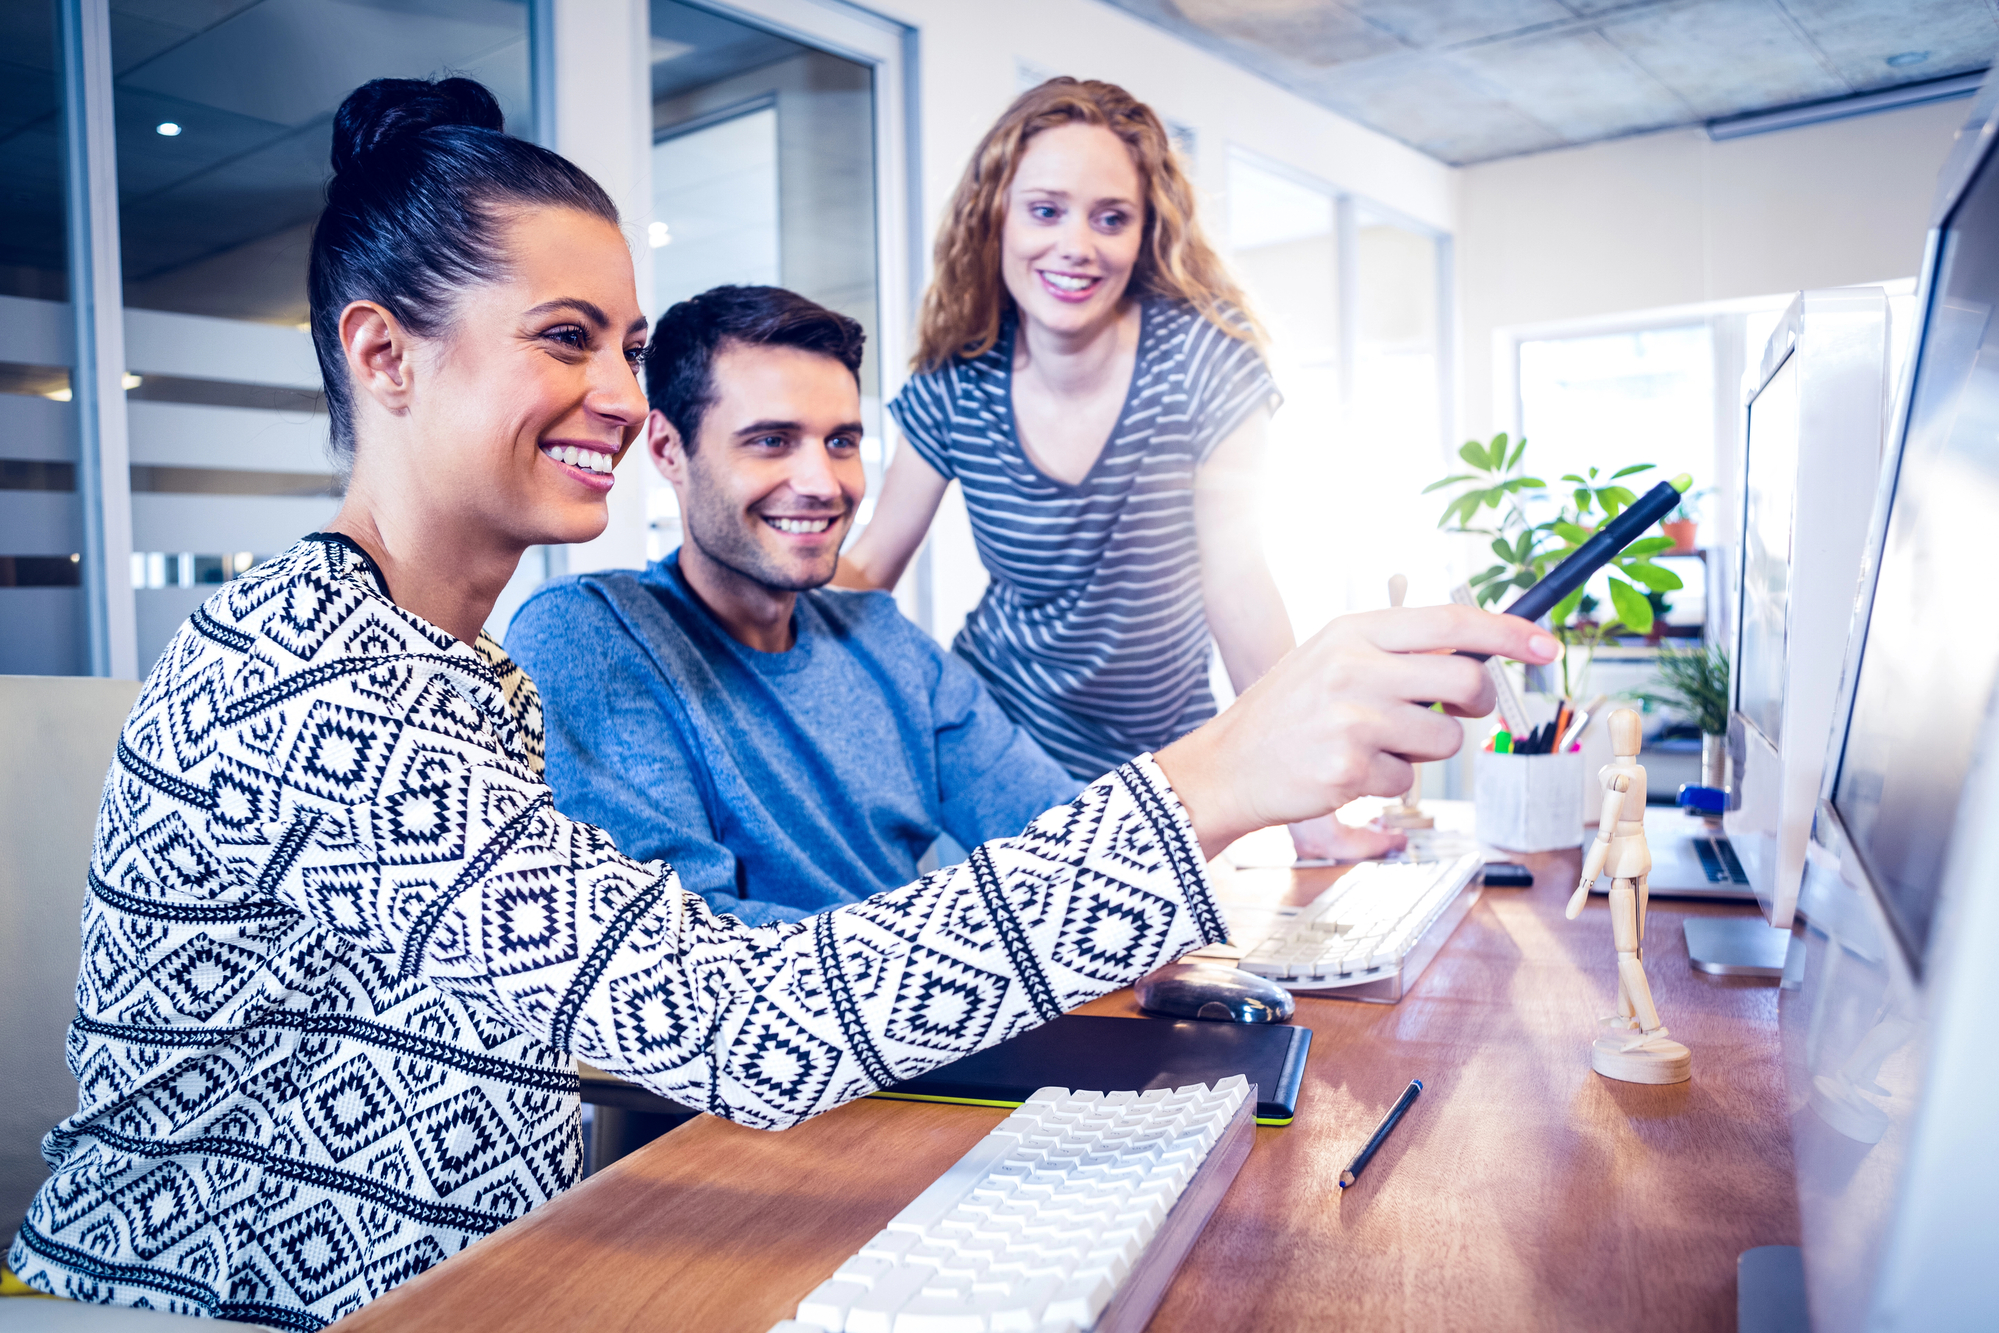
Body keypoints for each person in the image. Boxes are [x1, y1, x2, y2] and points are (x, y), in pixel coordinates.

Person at [1, 77, 1554, 1328]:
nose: (620, 392)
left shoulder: (450, 662)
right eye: (566, 340)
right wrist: (1218, 773)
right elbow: (725, 1016)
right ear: (381, 356)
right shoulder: (320, 672)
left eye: (621, 342)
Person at [837, 77, 1395, 862]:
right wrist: (735, 627)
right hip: (989, 753)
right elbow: (868, 567)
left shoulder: (1204, 358)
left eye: (1110, 218)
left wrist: (1311, 819)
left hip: (1169, 767)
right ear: (994, 214)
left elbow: (1237, 587)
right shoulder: (957, 379)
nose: (1076, 244)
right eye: (1045, 210)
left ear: (1145, 232)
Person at [508, 285, 1079, 926]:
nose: (822, 484)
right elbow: (681, 951)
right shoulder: (592, 634)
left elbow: (1068, 843)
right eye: (772, 441)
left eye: (841, 442)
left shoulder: (884, 642)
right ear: (668, 449)